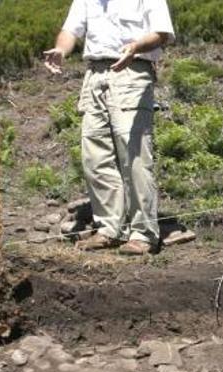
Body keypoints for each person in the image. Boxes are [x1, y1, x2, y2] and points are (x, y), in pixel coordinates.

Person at [44, 0, 175, 255]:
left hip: (132, 71)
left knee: (134, 154)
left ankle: (143, 233)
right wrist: (61, 49)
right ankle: (109, 229)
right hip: (94, 76)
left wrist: (136, 46)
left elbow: (161, 33)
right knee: (95, 156)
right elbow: (71, 30)